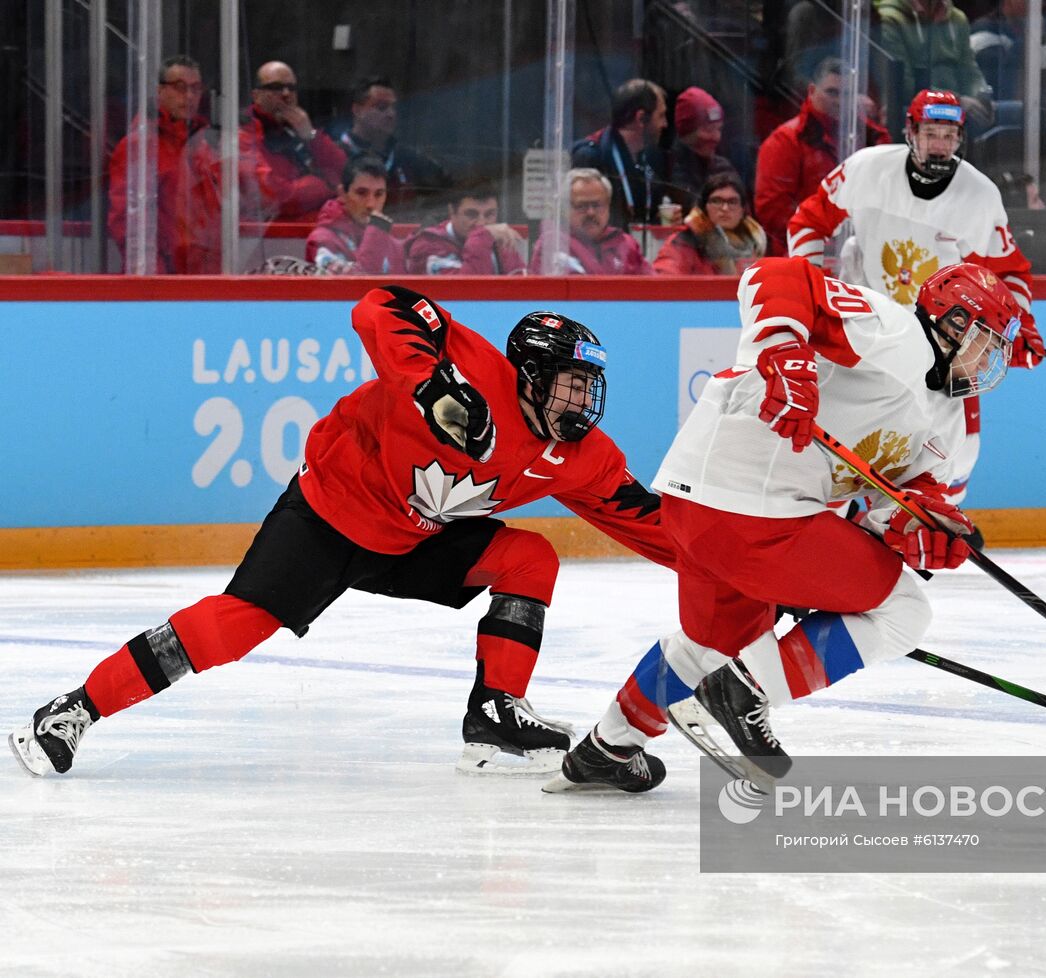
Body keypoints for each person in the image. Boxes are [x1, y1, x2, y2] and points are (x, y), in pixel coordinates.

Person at [10, 287, 676, 779]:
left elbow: (646, 521)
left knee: (529, 557)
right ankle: (75, 709)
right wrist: (430, 383)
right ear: (529, 376)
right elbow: (380, 304)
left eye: (591, 389)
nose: (582, 405)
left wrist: (742, 566)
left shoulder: (582, 457)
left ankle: (495, 710)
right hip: (330, 515)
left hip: (417, 541)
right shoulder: (467, 365)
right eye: (570, 387)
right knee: (232, 629)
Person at [543, 258, 1025, 793]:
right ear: (953, 323)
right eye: (987, 341)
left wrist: (922, 531)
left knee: (714, 637)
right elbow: (774, 276)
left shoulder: (946, 421)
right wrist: (786, 356)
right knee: (904, 611)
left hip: (700, 506)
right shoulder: (891, 330)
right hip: (755, 509)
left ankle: (606, 749)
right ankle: (747, 689)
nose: (990, 361)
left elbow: (904, 499)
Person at [785, 89, 1040, 504]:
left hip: (940, 338)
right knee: (847, 424)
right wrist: (808, 285)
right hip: (866, 322)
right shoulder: (868, 169)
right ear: (910, 132)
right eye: (930, 133)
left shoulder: (979, 195)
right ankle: (842, 517)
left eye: (948, 135)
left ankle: (935, 520)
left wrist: (1018, 326)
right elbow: (808, 222)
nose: (939, 144)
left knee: (958, 445)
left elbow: (1007, 273)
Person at [753, 57, 891, 257]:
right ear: (811, 91)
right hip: (804, 256)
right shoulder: (785, 141)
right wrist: (818, 239)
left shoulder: (875, 137)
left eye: (847, 94)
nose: (839, 100)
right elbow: (772, 211)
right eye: (832, 92)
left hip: (864, 255)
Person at [107, 54, 222, 274]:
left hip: (203, 275)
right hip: (163, 277)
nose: (189, 96)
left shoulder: (203, 145)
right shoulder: (139, 145)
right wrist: (154, 279)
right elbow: (128, 222)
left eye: (196, 88)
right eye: (180, 87)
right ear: (160, 91)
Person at [240, 60, 348, 222]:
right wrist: (325, 185)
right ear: (256, 95)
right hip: (271, 238)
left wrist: (311, 137)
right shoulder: (244, 136)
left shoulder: (295, 130)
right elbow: (276, 197)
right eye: (276, 88)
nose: (286, 94)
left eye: (291, 88)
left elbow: (346, 173)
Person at [874, 0, 997, 139]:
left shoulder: (957, 19)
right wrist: (957, 101)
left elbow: (970, 71)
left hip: (960, 104)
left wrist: (980, 96)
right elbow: (902, 84)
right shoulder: (890, 19)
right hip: (915, 106)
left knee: (1012, 113)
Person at [331, 77, 450, 216]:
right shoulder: (334, 155)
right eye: (381, 107)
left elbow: (449, 195)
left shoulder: (409, 158)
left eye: (394, 107)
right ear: (357, 110)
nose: (391, 114)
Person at [571, 78, 668, 229]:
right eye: (661, 116)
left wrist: (661, 221)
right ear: (641, 118)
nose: (665, 124)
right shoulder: (590, 157)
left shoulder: (651, 158)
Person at [527, 168, 653, 276]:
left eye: (597, 205)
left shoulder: (627, 244)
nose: (591, 212)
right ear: (565, 210)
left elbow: (654, 291)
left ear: (608, 207)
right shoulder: (553, 245)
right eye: (581, 206)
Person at [305, 154, 407, 275]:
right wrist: (375, 236)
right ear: (342, 193)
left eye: (379, 194)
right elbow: (353, 288)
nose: (371, 204)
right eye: (361, 193)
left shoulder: (391, 242)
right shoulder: (322, 242)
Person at [654, 172, 768, 276]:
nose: (725, 208)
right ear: (704, 207)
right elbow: (665, 283)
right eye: (716, 201)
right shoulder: (684, 242)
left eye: (732, 202)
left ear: (743, 209)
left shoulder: (756, 242)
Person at [406, 182, 526, 276]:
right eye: (471, 214)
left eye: (490, 214)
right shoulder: (427, 246)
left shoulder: (500, 240)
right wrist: (481, 238)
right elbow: (467, 294)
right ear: (452, 212)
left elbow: (523, 288)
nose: (482, 223)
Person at [662, 86, 739, 213]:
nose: (715, 137)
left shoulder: (723, 167)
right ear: (687, 132)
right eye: (708, 130)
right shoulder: (667, 168)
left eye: (719, 129)